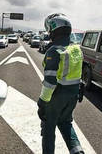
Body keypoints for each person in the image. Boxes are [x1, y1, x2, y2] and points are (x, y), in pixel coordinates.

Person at [37, 13, 84, 154]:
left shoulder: (54, 51)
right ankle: (78, 152)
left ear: (53, 30)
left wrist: (42, 102)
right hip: (73, 95)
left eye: (49, 30)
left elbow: (50, 81)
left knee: (48, 128)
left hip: (56, 97)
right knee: (65, 123)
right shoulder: (76, 49)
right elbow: (78, 73)